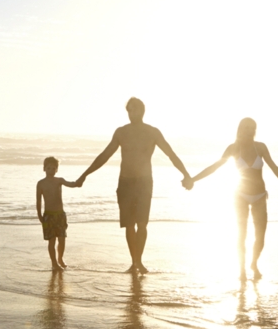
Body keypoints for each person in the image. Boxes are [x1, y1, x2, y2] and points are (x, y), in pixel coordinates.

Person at [77, 98, 193, 274]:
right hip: (125, 182)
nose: (132, 114)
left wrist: (186, 174)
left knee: (142, 224)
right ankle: (135, 262)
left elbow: (171, 154)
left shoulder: (153, 132)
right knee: (129, 225)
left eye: (135, 110)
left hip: (144, 183)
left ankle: (139, 261)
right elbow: (104, 156)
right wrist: (84, 175)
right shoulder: (121, 132)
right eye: (129, 111)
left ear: (142, 111)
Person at [188, 118, 278, 281]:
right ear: (240, 129)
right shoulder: (233, 148)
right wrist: (193, 179)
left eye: (252, 128)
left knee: (260, 237)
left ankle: (254, 263)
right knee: (241, 234)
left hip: (259, 196)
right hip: (240, 196)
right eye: (245, 127)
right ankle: (242, 271)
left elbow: (275, 168)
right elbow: (215, 167)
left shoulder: (260, 147)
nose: (249, 130)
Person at [36, 156, 81, 271]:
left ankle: (60, 258)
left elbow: (71, 184)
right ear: (44, 169)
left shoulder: (59, 180)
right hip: (48, 216)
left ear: (57, 169)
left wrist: (78, 182)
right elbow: (39, 201)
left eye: (53, 168)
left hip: (60, 215)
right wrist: (40, 216)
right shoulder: (40, 184)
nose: (51, 171)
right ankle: (54, 263)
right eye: (48, 168)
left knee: (62, 239)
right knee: (51, 240)